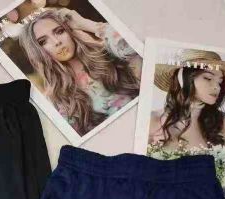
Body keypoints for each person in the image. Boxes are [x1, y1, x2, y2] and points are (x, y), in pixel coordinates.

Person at [19, 8, 141, 136]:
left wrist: (86, 24)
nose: (57, 42)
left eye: (59, 31)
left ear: (70, 31)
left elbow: (138, 47)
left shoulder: (108, 54)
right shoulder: (55, 99)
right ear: (37, 52)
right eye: (43, 42)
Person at [149, 49, 225, 182]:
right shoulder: (153, 121)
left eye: (220, 81)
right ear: (184, 78)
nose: (217, 87)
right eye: (208, 78)